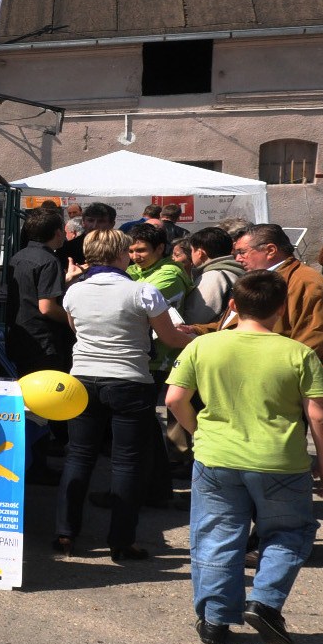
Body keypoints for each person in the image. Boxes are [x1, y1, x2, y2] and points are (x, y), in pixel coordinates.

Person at [169, 271, 323, 644]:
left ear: (232, 305)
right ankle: (264, 601)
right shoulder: (299, 353)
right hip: (280, 461)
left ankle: (214, 619)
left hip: (215, 457)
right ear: (281, 309)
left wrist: (199, 432)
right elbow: (321, 416)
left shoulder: (203, 346)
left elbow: (175, 400)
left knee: (216, 536)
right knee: (289, 532)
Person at [58, 229, 193, 560]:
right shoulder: (143, 291)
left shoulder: (73, 291)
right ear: (121, 255)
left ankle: (65, 532)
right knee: (127, 462)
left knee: (78, 456)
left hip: (83, 378)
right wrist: (199, 339)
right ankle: (122, 541)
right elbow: (171, 338)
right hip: (129, 379)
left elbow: (76, 330)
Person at [221, 224, 323, 360]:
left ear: (270, 250)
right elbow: (233, 323)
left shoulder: (307, 283)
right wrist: (199, 330)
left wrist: (272, 367)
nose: (237, 259)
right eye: (236, 253)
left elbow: (313, 340)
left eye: (242, 252)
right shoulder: (258, 279)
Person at [5, 206, 75, 374]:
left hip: (19, 336)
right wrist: (74, 320)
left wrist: (66, 280)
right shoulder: (49, 261)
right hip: (43, 342)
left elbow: (30, 290)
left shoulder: (18, 257)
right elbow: (47, 307)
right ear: (58, 232)